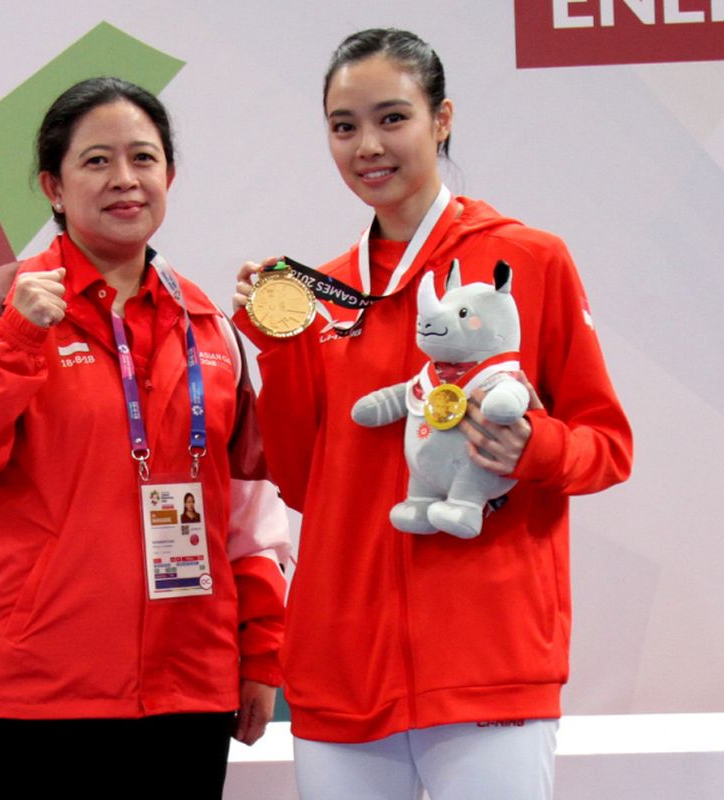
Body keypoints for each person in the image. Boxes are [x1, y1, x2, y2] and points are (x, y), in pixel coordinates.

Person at [232, 29, 632, 800]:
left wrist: (532, 446)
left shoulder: (527, 260)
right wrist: (279, 346)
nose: (367, 146)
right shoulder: (322, 291)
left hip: (488, 663)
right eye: (343, 126)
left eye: (392, 118)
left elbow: (608, 446)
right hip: (343, 667)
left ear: (441, 119)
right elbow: (302, 484)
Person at [0, 77, 290, 799]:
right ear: (53, 185)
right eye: (96, 161)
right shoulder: (2, 301)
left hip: (187, 689)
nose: (125, 180)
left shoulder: (210, 328)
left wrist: (261, 652)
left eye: (143, 158)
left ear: (170, 176)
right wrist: (15, 341)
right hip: (33, 693)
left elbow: (249, 518)